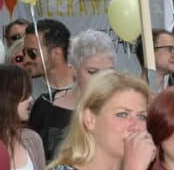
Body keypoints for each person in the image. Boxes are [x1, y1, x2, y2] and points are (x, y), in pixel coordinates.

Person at [28, 29, 116, 160]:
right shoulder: (45, 105)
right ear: (74, 68)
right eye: (92, 72)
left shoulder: (121, 108)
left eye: (108, 72)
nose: (101, 79)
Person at [23, 19, 76, 97]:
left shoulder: (87, 86)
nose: (26, 60)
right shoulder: (25, 91)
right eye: (24, 53)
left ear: (56, 53)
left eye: (32, 53)